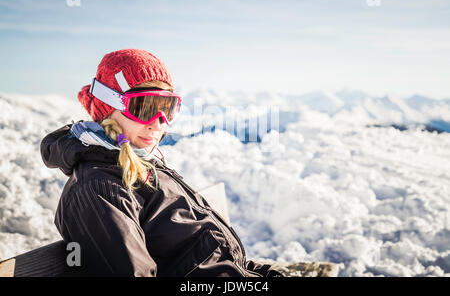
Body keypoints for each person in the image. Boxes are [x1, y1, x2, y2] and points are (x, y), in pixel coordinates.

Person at [40, 48, 283, 277]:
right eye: (144, 108)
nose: (158, 122)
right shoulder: (98, 188)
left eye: (167, 108)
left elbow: (217, 261)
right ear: (109, 107)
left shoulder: (142, 164)